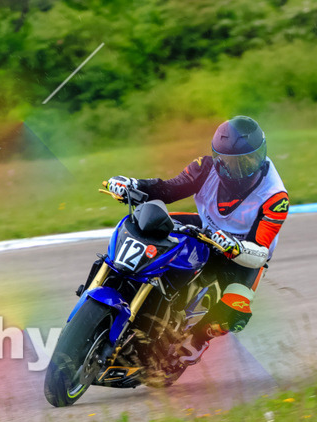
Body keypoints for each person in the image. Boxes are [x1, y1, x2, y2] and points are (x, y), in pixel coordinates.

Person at [104, 115, 289, 364]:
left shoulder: (276, 197)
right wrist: (133, 185)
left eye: (249, 160)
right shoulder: (205, 167)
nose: (241, 169)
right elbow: (168, 189)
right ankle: (113, 287)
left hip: (244, 254)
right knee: (144, 223)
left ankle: (199, 339)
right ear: (217, 158)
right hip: (205, 229)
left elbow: (260, 251)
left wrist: (234, 247)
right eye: (231, 163)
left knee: (235, 312)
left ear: (262, 154)